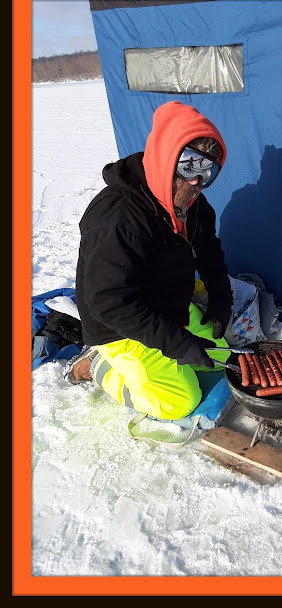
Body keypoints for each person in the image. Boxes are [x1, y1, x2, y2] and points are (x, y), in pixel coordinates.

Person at [64, 101, 233, 422]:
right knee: (180, 400)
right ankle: (98, 366)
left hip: (166, 307)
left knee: (220, 354)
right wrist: (180, 345)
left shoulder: (194, 206)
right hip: (119, 326)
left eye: (207, 171)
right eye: (189, 164)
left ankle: (170, 348)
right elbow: (110, 304)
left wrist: (221, 300)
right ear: (166, 155)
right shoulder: (117, 217)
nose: (196, 181)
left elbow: (211, 253)